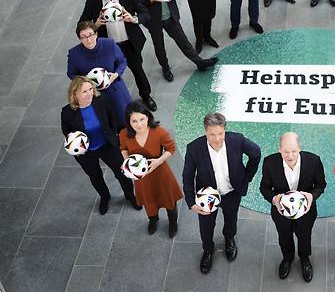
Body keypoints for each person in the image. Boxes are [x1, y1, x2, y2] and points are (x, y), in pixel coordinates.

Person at [182, 112, 261, 274]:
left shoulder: (236, 140)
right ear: (205, 131)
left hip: (231, 192)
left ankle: (229, 239)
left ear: (225, 130)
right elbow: (187, 176)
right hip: (206, 197)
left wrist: (246, 178)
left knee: (231, 219)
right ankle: (208, 250)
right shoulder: (194, 148)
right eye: (212, 134)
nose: (217, 139)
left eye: (220, 133)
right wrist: (191, 202)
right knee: (205, 226)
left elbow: (256, 152)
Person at [132, 0, 217, 82]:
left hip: (171, 16)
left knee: (184, 42)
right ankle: (165, 68)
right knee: (159, 47)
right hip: (154, 20)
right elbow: (137, 3)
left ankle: (199, 63)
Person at [79, 0, 156, 112]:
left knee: (138, 70)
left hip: (129, 43)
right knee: (111, 76)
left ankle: (146, 96)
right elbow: (81, 25)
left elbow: (145, 13)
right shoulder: (92, 1)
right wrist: (95, 25)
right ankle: (116, 103)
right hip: (108, 48)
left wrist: (133, 19)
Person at [60, 76, 139, 215]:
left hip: (107, 144)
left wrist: (114, 134)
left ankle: (129, 195)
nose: (90, 93)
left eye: (91, 89)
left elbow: (111, 117)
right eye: (85, 91)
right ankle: (105, 197)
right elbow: (66, 130)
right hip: (86, 152)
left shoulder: (101, 100)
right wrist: (73, 142)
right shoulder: (67, 112)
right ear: (75, 94)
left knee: (122, 172)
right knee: (95, 176)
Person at [259, 132, 326, 282]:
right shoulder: (270, 163)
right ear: (279, 149)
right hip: (281, 212)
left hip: (306, 212)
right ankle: (287, 258)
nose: (290, 156)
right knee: (284, 236)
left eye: (294, 151)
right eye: (286, 152)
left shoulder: (313, 161)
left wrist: (311, 196)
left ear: (299, 148)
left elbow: (321, 185)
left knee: (304, 236)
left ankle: (304, 259)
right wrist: (274, 199)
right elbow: (264, 188)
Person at [119, 100, 183, 238]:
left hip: (160, 173)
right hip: (141, 178)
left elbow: (171, 148)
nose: (139, 124)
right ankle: (153, 220)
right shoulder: (124, 134)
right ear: (128, 122)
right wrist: (127, 162)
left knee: (169, 201)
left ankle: (173, 223)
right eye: (134, 121)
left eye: (142, 119)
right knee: (149, 202)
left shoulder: (159, 132)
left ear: (148, 117)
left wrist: (158, 161)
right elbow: (123, 149)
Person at [67, 21, 133, 129]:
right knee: (105, 122)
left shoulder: (109, 44)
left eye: (90, 35)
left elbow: (122, 62)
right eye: (83, 37)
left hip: (114, 88)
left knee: (123, 118)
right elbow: (71, 74)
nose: (88, 40)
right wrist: (87, 81)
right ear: (79, 38)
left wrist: (115, 75)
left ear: (96, 33)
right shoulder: (74, 54)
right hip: (93, 94)